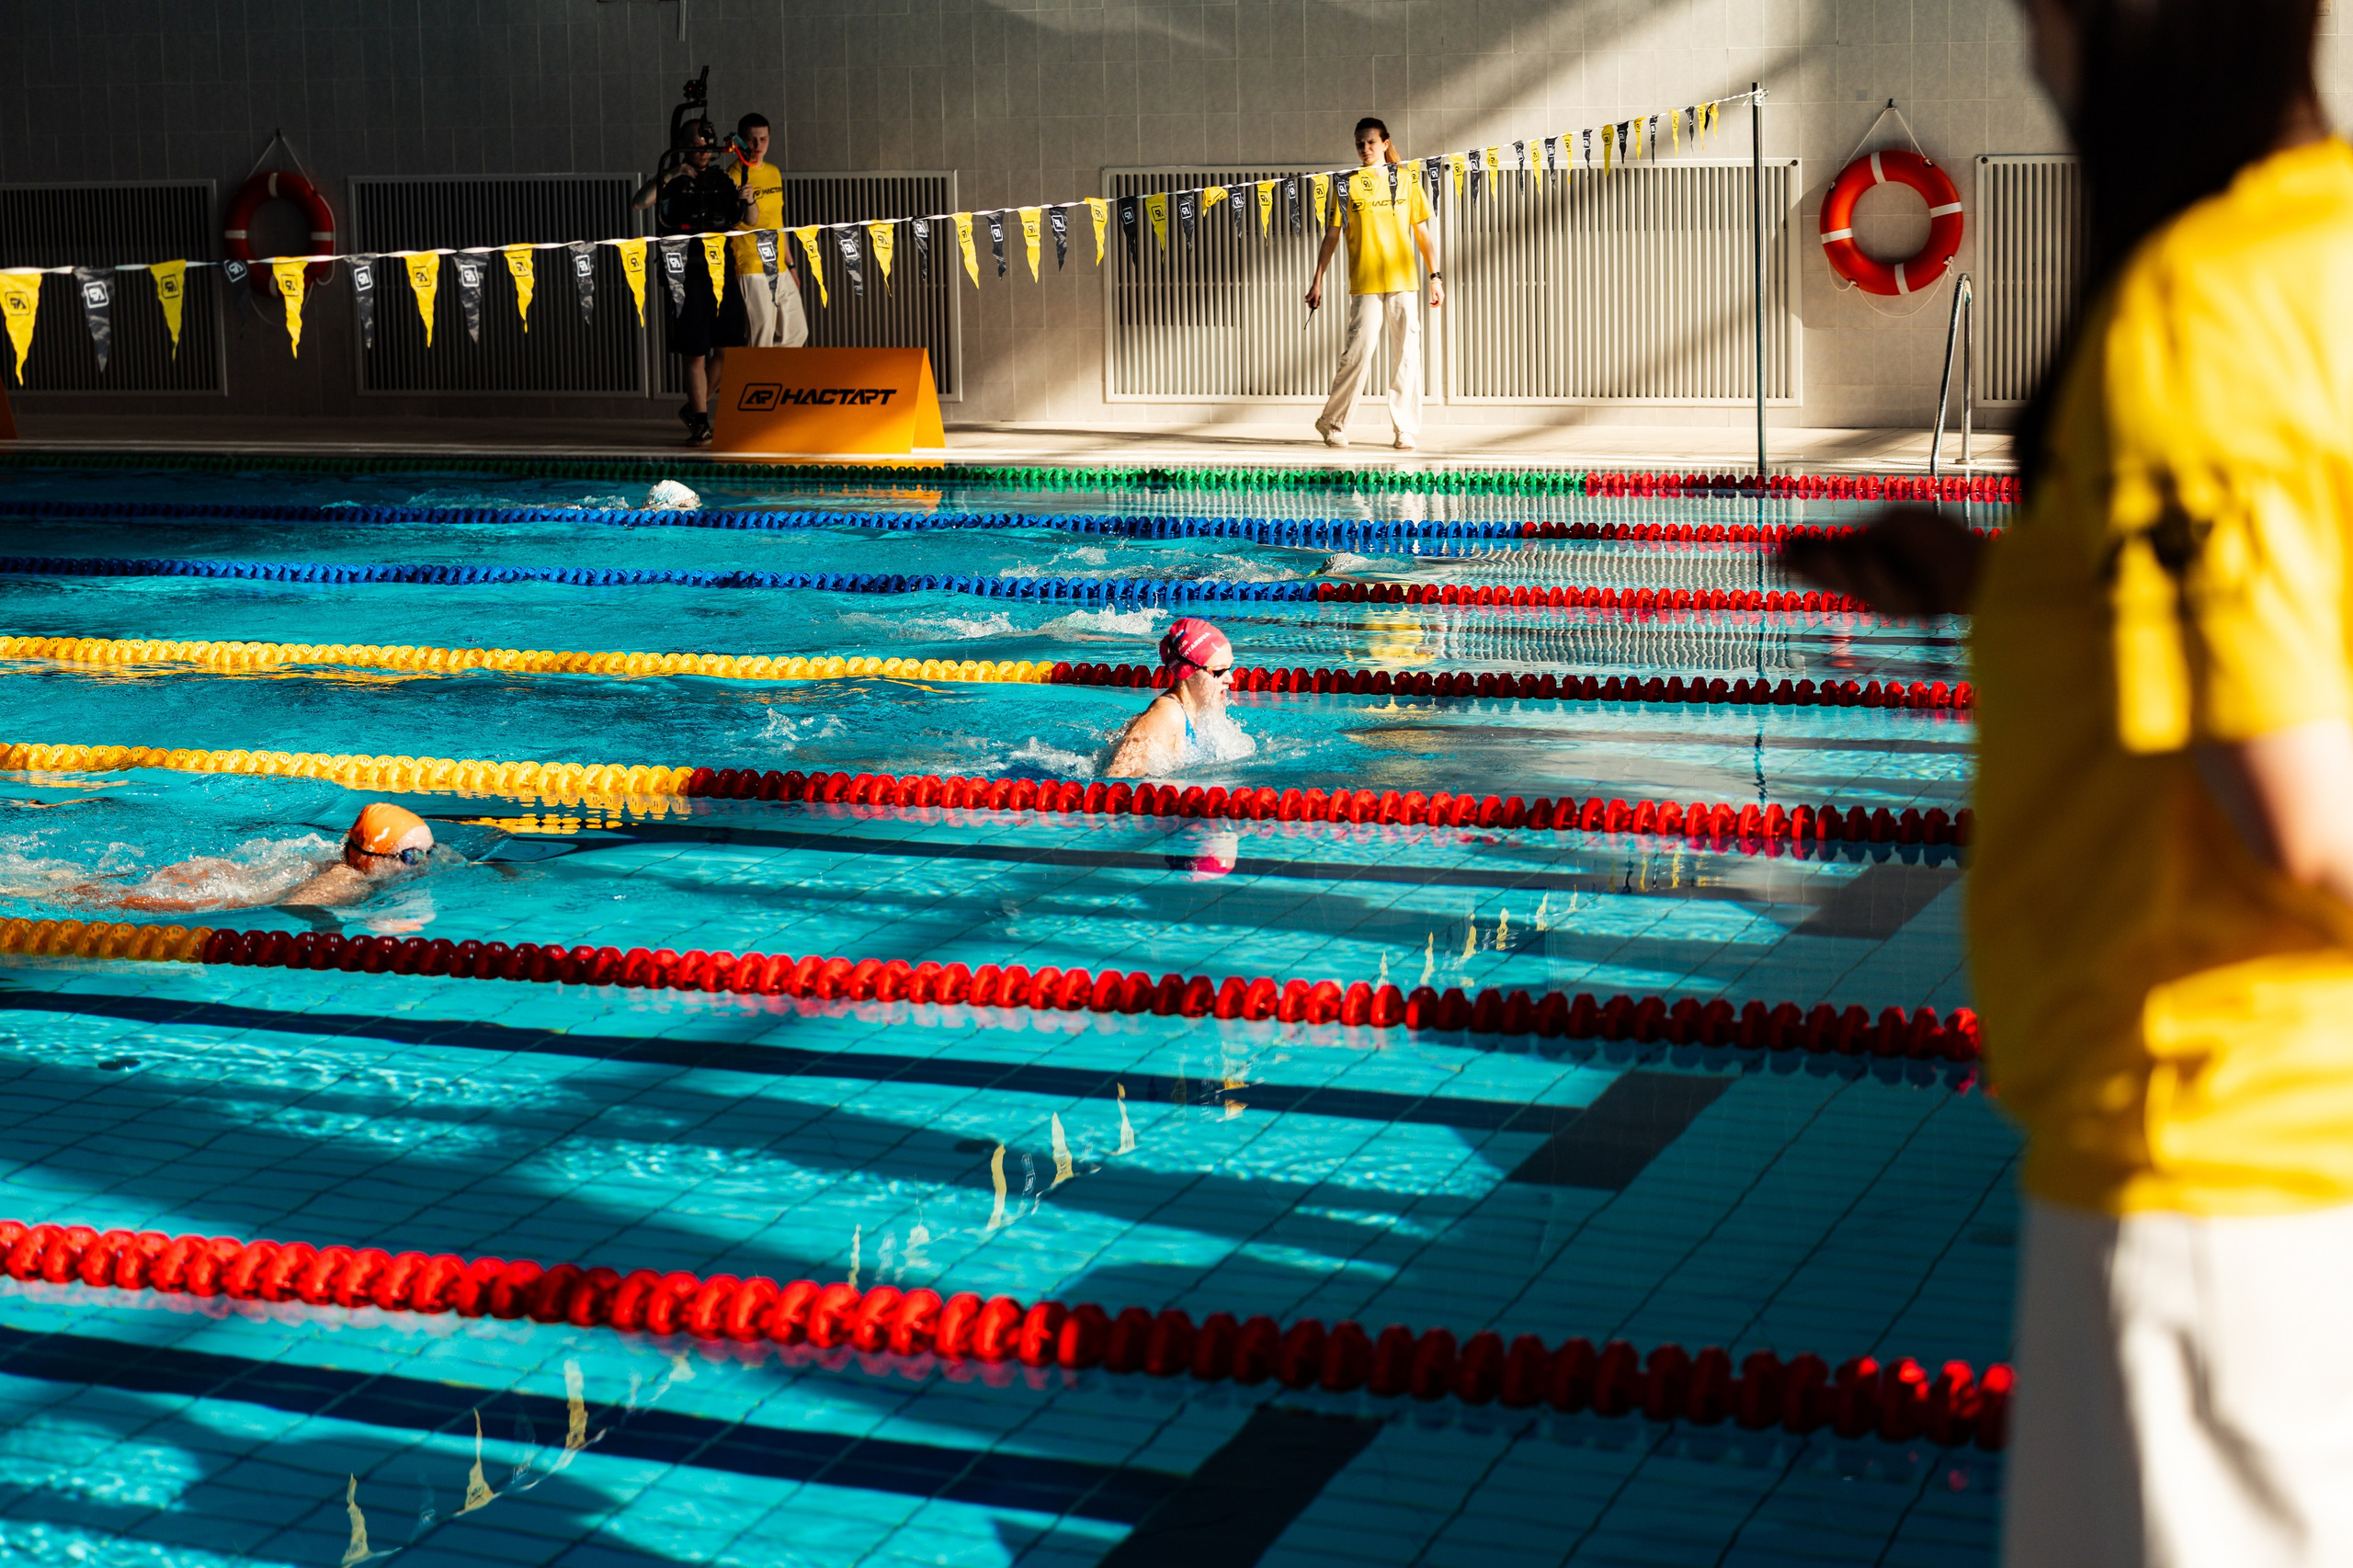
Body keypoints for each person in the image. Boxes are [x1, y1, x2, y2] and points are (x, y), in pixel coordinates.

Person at [1783, 1, 2353, 1562]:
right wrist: (1997, 586)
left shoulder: (2203, 311)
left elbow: (2306, 818)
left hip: (2219, 1173)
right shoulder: (2329, 258)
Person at [1305, 118, 1443, 452]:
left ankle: (1404, 429)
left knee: (1407, 356)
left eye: (1370, 142)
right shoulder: (1345, 186)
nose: (1364, 149)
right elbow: (1332, 236)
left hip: (1403, 282)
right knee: (1357, 353)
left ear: (1385, 143)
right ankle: (1332, 423)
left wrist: (1435, 276)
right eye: (1359, 143)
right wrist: (1317, 280)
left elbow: (1422, 233)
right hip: (1365, 282)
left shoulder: (1407, 180)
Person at [67, 803, 438, 913]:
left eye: (428, 853)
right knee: (113, 900)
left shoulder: (347, 862)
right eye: (411, 857)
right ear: (370, 859)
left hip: (241, 873)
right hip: (229, 898)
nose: (425, 863)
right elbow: (294, 908)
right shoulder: (344, 881)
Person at [636, 119, 747, 444]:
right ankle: (700, 420)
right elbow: (640, 202)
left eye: (707, 147)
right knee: (695, 352)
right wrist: (671, 175)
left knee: (730, 348)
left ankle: (694, 406)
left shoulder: (720, 179)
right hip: (686, 274)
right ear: (683, 146)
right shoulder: (671, 179)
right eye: (697, 147)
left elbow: (744, 219)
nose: (703, 153)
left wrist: (747, 199)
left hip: (721, 271)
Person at [1105, 619, 1234, 778]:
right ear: (1188, 671)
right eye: (1218, 671)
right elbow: (1116, 779)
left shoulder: (1203, 710)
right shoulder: (1167, 715)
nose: (1230, 679)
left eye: (1229, 668)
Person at [727, 113, 809, 349]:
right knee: (761, 338)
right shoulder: (733, 177)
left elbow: (778, 223)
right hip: (752, 266)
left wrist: (791, 265)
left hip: (779, 267)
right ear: (741, 142)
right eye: (752, 140)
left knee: (797, 333)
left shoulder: (773, 172)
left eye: (763, 139)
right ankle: (756, 381)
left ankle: (777, 381)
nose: (758, 146)